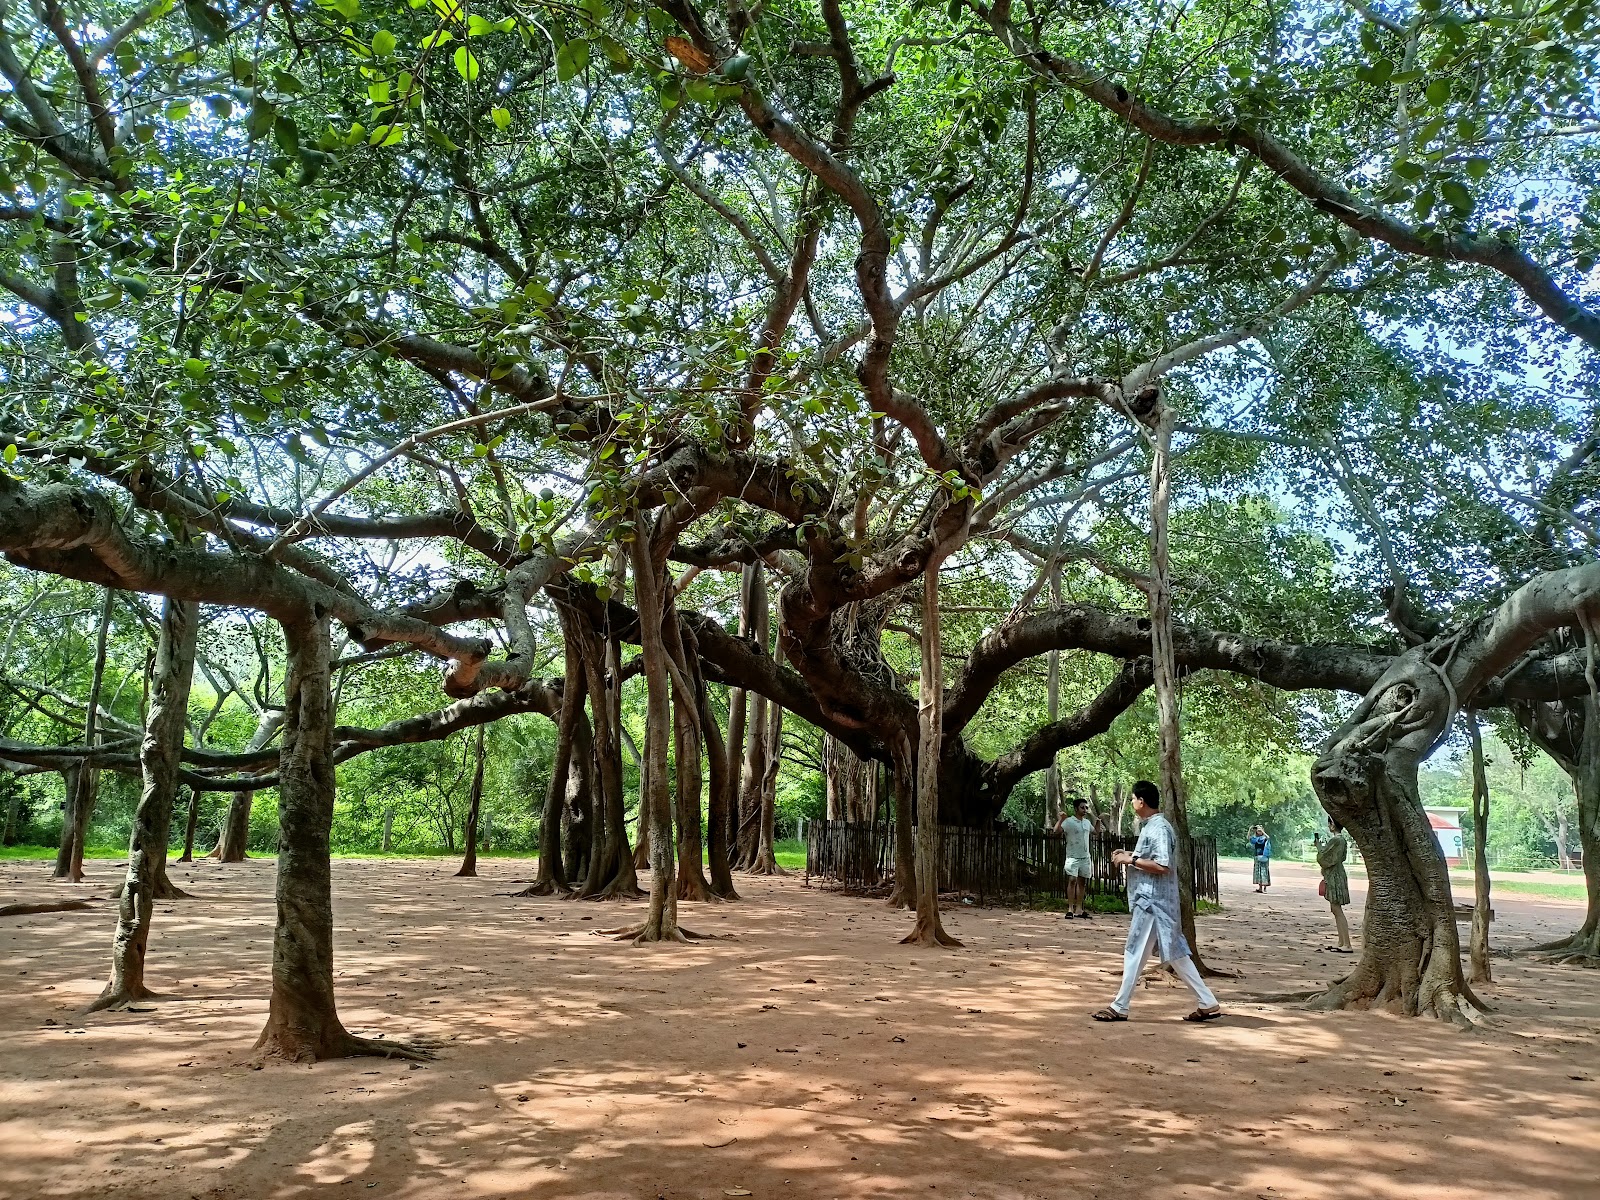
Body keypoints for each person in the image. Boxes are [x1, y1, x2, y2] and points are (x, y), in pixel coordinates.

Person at [1091, 780, 1221, 1023]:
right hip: (1155, 900)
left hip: (1152, 902)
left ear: (1142, 801)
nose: (1131, 803)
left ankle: (1120, 1006)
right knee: (1176, 954)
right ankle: (1207, 1001)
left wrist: (1130, 861)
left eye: (1132, 799)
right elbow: (1149, 858)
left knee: (1134, 951)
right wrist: (1128, 855)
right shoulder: (1150, 826)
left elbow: (1162, 865)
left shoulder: (1159, 827)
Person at [1054, 797, 1102, 920]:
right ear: (1076, 808)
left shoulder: (1086, 822)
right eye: (1082, 807)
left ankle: (1079, 909)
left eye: (1086, 807)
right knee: (1072, 880)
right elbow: (1056, 831)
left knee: (1082, 882)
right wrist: (1061, 819)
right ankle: (1070, 909)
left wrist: (1098, 822)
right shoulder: (1069, 821)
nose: (1085, 810)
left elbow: (1095, 832)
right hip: (1072, 856)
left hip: (1085, 857)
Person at [1318, 817, 1354, 953]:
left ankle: (1347, 944)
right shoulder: (1342, 840)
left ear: (1333, 825)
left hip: (1334, 875)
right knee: (1335, 909)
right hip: (1338, 873)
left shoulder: (1336, 840)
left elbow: (1324, 857)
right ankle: (1342, 941)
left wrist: (1318, 847)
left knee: (1337, 909)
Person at [1248, 825, 1272, 892]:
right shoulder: (1255, 838)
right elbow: (1249, 838)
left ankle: (1265, 888)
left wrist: (1263, 831)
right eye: (1258, 831)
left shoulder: (1264, 838)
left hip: (1264, 856)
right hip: (1257, 856)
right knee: (1258, 872)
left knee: (1264, 872)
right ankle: (1260, 887)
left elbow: (1268, 838)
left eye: (1260, 831)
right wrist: (1250, 830)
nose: (1259, 832)